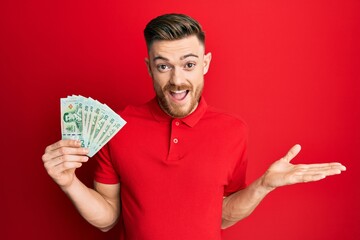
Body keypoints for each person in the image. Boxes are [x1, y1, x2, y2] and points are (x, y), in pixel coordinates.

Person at [42, 13, 346, 240]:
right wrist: (69, 183)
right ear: (150, 67)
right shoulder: (118, 126)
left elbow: (223, 216)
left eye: (188, 64)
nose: (176, 80)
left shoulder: (233, 130)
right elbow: (108, 217)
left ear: (205, 63)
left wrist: (263, 186)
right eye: (164, 66)